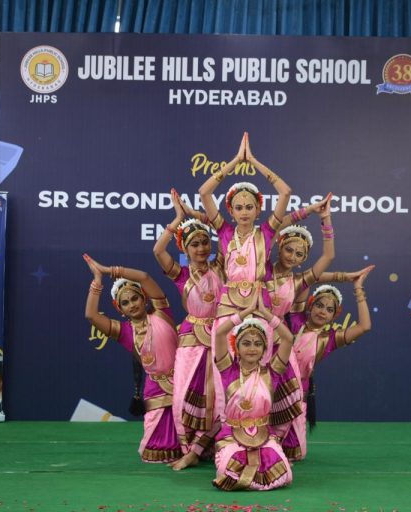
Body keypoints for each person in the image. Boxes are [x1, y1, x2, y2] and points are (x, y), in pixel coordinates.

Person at [84, 255, 181, 463]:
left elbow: (144, 277)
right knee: (157, 448)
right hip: (156, 390)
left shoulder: (162, 312)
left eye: (135, 298)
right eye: (125, 303)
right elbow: (91, 315)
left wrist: (109, 269)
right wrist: (97, 280)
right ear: (120, 309)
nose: (132, 305)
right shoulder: (123, 331)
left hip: (185, 384)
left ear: (144, 298)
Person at [153, 189, 224, 470]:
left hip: (221, 335)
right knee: (184, 396)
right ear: (184, 248)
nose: (201, 248)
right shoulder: (181, 274)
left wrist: (196, 215)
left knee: (218, 396)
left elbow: (226, 232)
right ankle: (188, 448)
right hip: (191, 338)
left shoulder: (221, 267)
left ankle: (201, 449)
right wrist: (178, 219)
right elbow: (158, 251)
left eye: (205, 242)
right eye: (194, 244)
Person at [211, 287, 302, 491]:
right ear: (237, 348)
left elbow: (288, 339)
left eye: (257, 344)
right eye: (246, 343)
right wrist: (246, 311)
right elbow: (220, 333)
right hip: (231, 433)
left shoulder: (272, 372)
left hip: (263, 434)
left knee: (284, 473)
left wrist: (266, 314)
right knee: (227, 469)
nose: (252, 348)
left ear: (264, 349)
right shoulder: (228, 370)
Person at [281, 266, 374, 461]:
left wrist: (358, 288)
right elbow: (311, 278)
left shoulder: (329, 339)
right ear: (310, 305)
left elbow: (364, 326)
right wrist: (344, 276)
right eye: (320, 305)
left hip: (296, 394)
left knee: (296, 453)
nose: (323, 311)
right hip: (272, 386)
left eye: (329, 309)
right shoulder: (295, 319)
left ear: (335, 316)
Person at [198, 132, 291, 317]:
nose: (244, 212)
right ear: (231, 212)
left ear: (258, 210)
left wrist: (253, 161)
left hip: (259, 303)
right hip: (228, 304)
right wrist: (236, 160)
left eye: (249, 207)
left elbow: (285, 192)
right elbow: (204, 193)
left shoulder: (266, 232)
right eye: (239, 208)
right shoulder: (224, 231)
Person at [266, 193, 335, 321]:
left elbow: (328, 256)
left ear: (302, 260)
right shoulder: (262, 267)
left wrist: (326, 218)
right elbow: (275, 228)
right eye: (289, 250)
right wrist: (309, 209)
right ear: (280, 249)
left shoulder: (299, 282)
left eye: (299, 254)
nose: (292, 257)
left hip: (278, 332)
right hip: (250, 330)